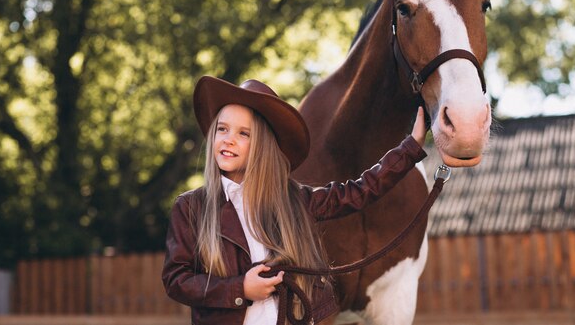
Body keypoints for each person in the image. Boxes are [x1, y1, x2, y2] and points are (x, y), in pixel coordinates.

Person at [162, 76, 428, 325]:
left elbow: (358, 192)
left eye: (244, 133)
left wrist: (411, 148)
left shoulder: (293, 200)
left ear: (262, 146)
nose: (229, 139)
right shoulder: (190, 208)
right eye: (222, 129)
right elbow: (177, 280)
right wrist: (240, 288)